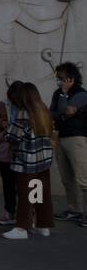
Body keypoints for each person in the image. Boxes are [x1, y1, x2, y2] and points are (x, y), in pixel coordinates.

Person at [2, 81, 56, 239]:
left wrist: (7, 131)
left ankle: (21, 228)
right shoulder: (43, 110)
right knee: (39, 192)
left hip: (27, 159)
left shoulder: (23, 113)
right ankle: (42, 225)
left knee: (25, 193)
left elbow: (13, 137)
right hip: (43, 159)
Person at [48, 61, 87, 225]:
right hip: (60, 137)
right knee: (66, 177)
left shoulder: (81, 94)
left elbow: (65, 110)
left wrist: (64, 97)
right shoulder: (58, 94)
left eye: (61, 78)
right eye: (58, 78)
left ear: (71, 79)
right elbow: (53, 113)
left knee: (83, 177)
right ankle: (74, 209)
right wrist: (63, 109)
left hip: (75, 137)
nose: (59, 81)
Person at [0, 92, 18, 227]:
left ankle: (35, 216)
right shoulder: (5, 105)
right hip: (11, 149)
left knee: (33, 184)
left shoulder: (32, 108)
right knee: (8, 181)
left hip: (29, 153)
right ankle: (11, 211)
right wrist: (2, 123)